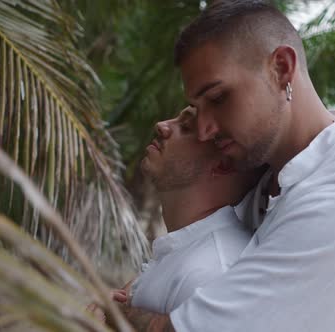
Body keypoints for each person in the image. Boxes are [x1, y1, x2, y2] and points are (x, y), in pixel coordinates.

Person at [127, 1, 335, 331]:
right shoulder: (271, 177)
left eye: (217, 98)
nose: (204, 129)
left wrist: (125, 311)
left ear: (282, 68)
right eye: (195, 107)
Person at [89, 106, 261, 320]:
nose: (161, 126)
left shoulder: (208, 273)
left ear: (223, 165)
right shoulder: (187, 253)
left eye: (186, 127)